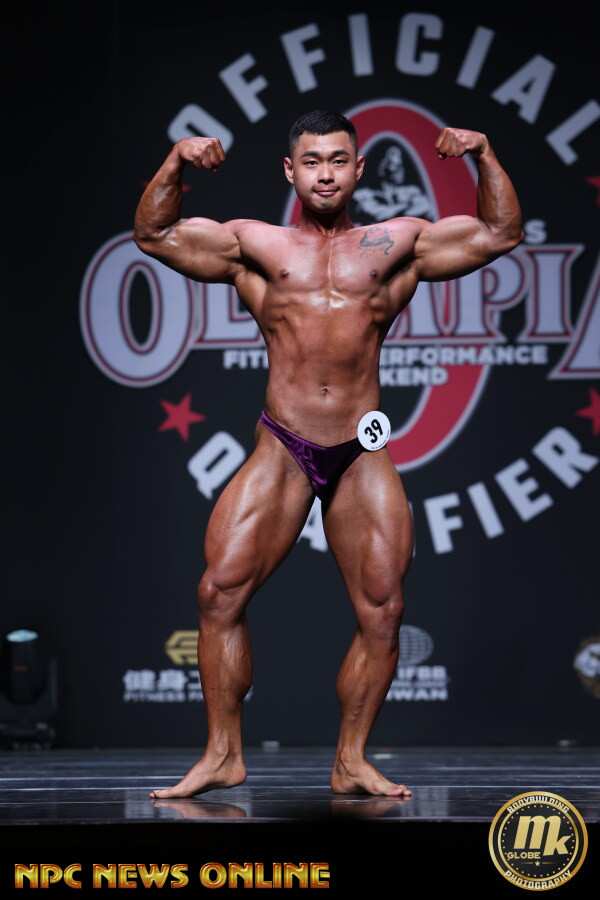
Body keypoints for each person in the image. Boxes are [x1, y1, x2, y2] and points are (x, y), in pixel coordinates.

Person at [133, 110, 523, 798]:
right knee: (218, 592)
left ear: (358, 169)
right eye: (312, 161)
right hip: (284, 443)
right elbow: (154, 235)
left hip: (360, 449)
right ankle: (222, 755)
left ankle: (351, 760)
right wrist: (175, 161)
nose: (325, 174)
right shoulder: (256, 244)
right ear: (290, 170)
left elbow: (500, 233)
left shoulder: (397, 242)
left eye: (339, 160)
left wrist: (484, 153)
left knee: (384, 609)